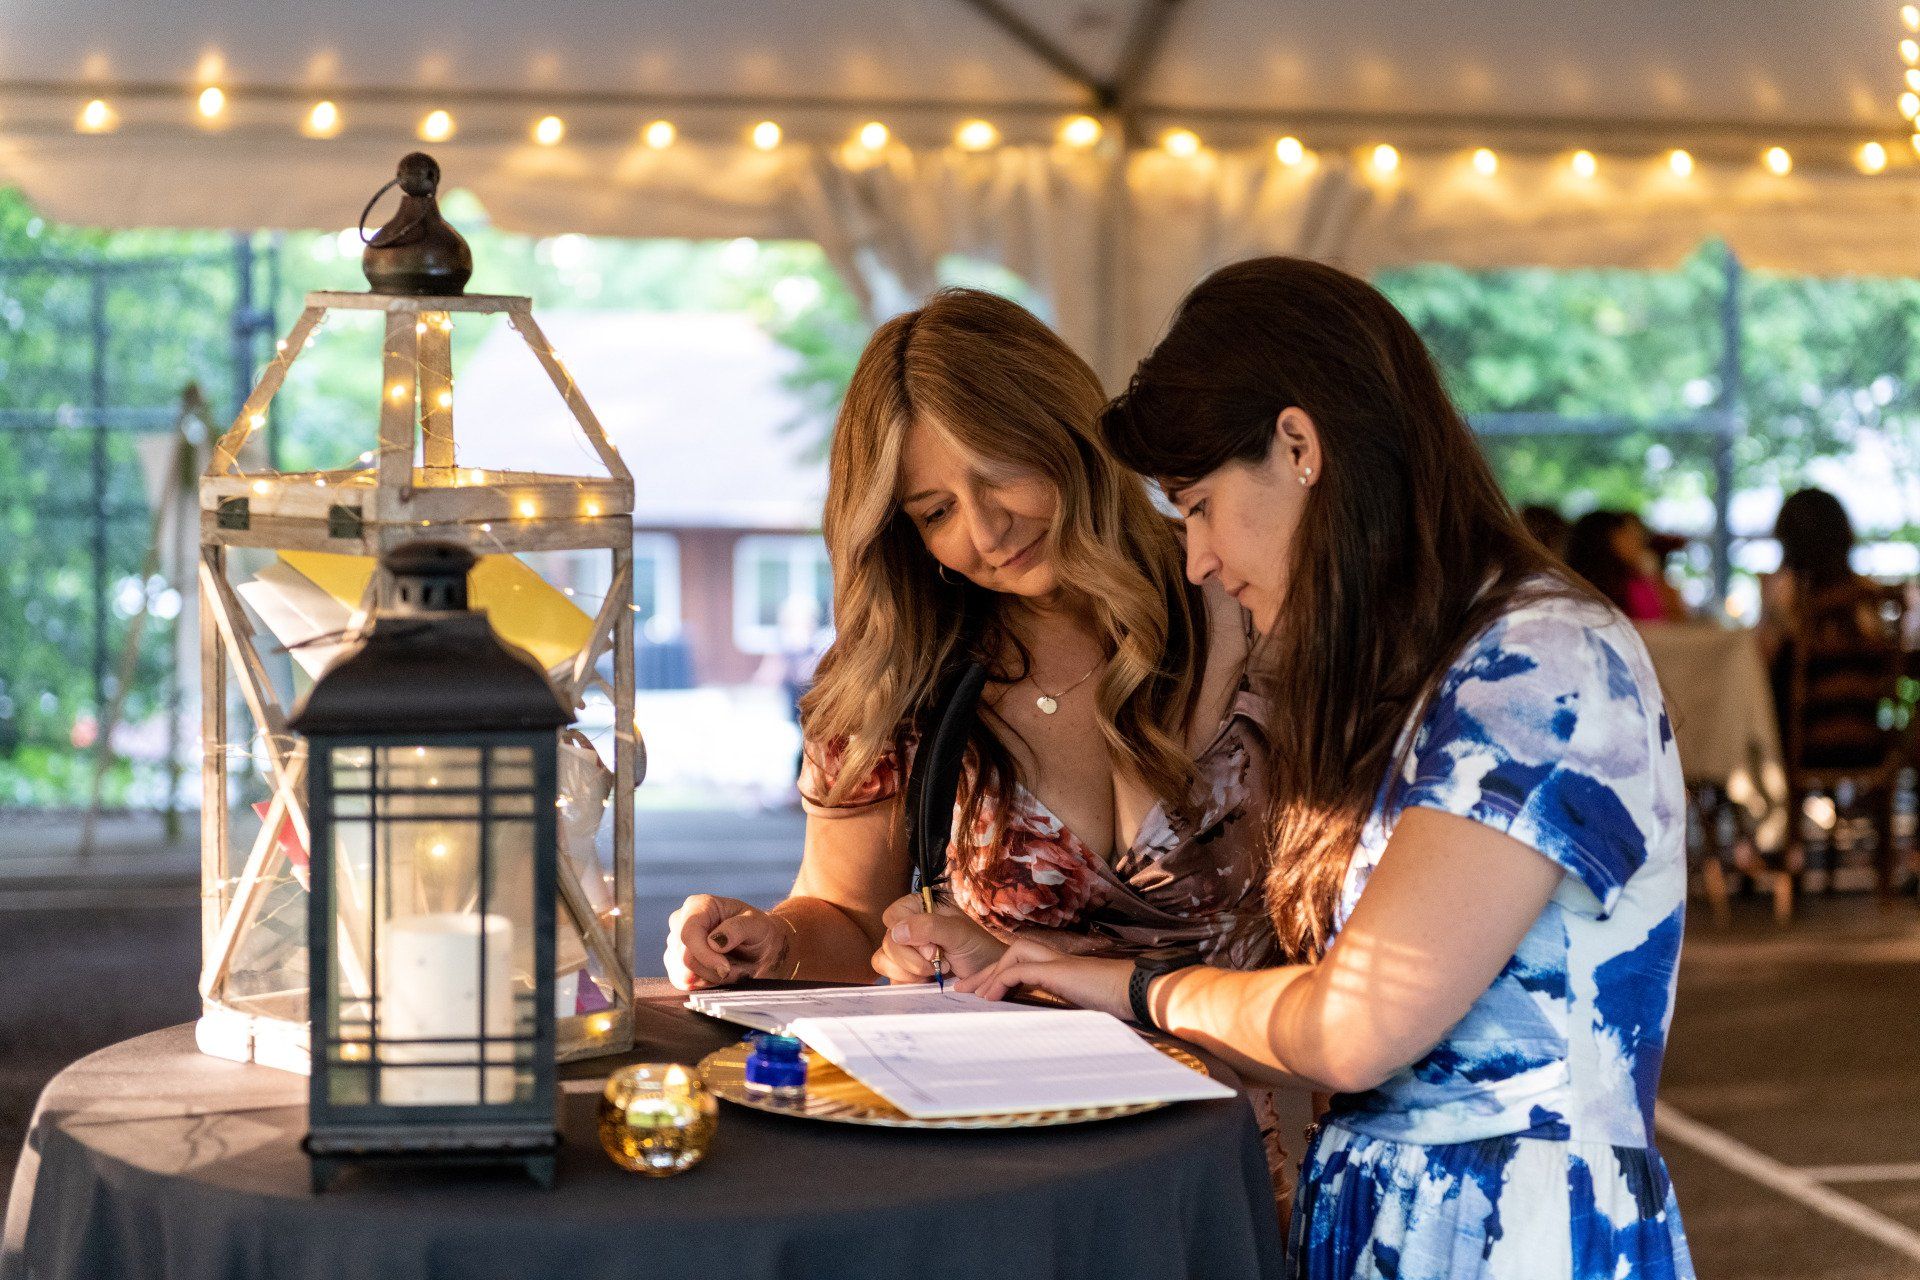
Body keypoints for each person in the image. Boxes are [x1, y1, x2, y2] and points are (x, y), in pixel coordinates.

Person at [961, 257, 1695, 1280]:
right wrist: (1071, 975)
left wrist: (1142, 987)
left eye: (1200, 503)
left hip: (1517, 1238)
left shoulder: (1544, 666)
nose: (1198, 558)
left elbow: (1349, 1028)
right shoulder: (1434, 670)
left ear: (1300, 445)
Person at [663, 287, 1275, 998]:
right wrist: (777, 941)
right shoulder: (907, 671)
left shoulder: (1246, 595)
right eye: (937, 511)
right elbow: (854, 920)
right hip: (995, 1098)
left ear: (1068, 432)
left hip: (1239, 1092)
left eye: (1001, 474)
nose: (986, 533)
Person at [1565, 508, 1683, 622]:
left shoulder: (1639, 582)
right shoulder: (1583, 592)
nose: (1637, 540)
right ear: (1606, 540)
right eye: (1626, 533)